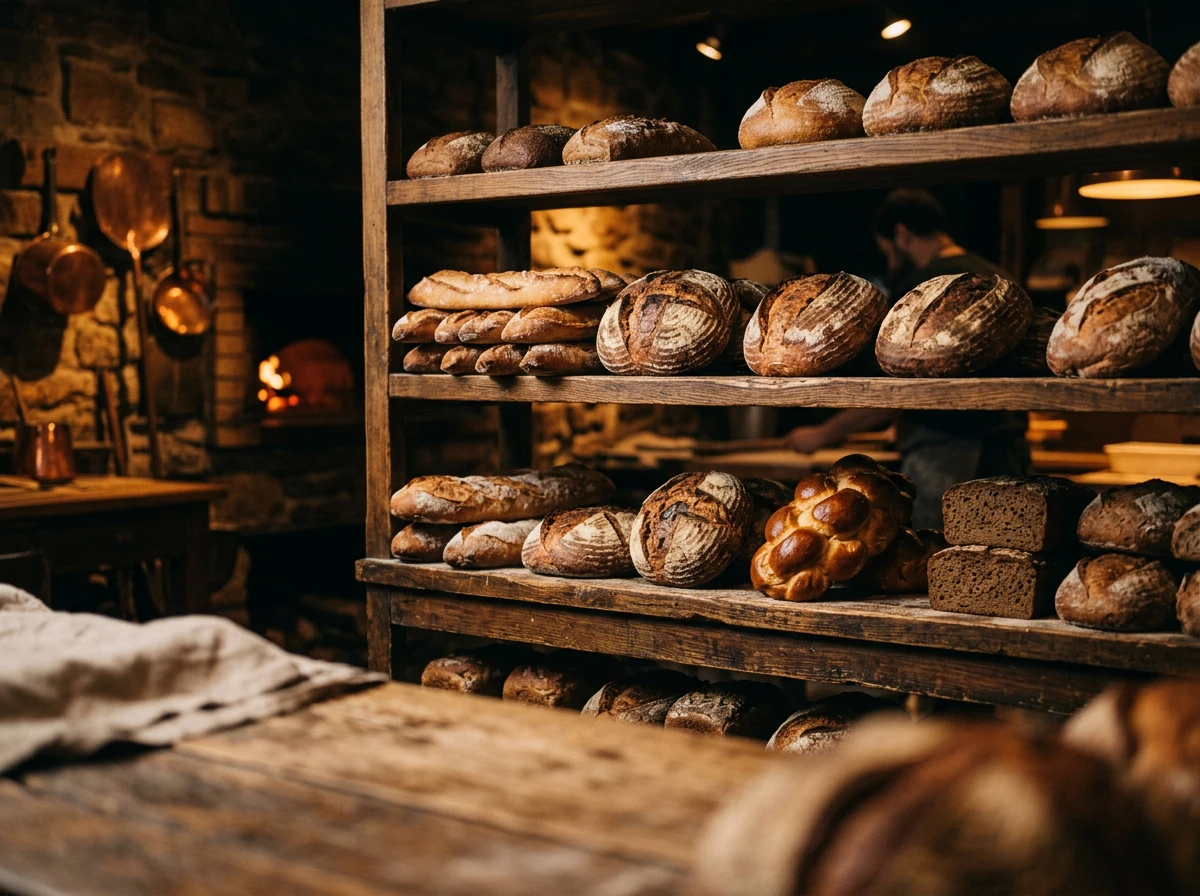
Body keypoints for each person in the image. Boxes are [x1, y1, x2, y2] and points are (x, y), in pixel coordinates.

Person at [783, 189, 1030, 528]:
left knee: (935, 564)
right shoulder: (996, 279)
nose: (888, 261)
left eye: (886, 249)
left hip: (946, 459)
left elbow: (892, 392)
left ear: (901, 234)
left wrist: (822, 434)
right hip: (1010, 453)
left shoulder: (922, 293)